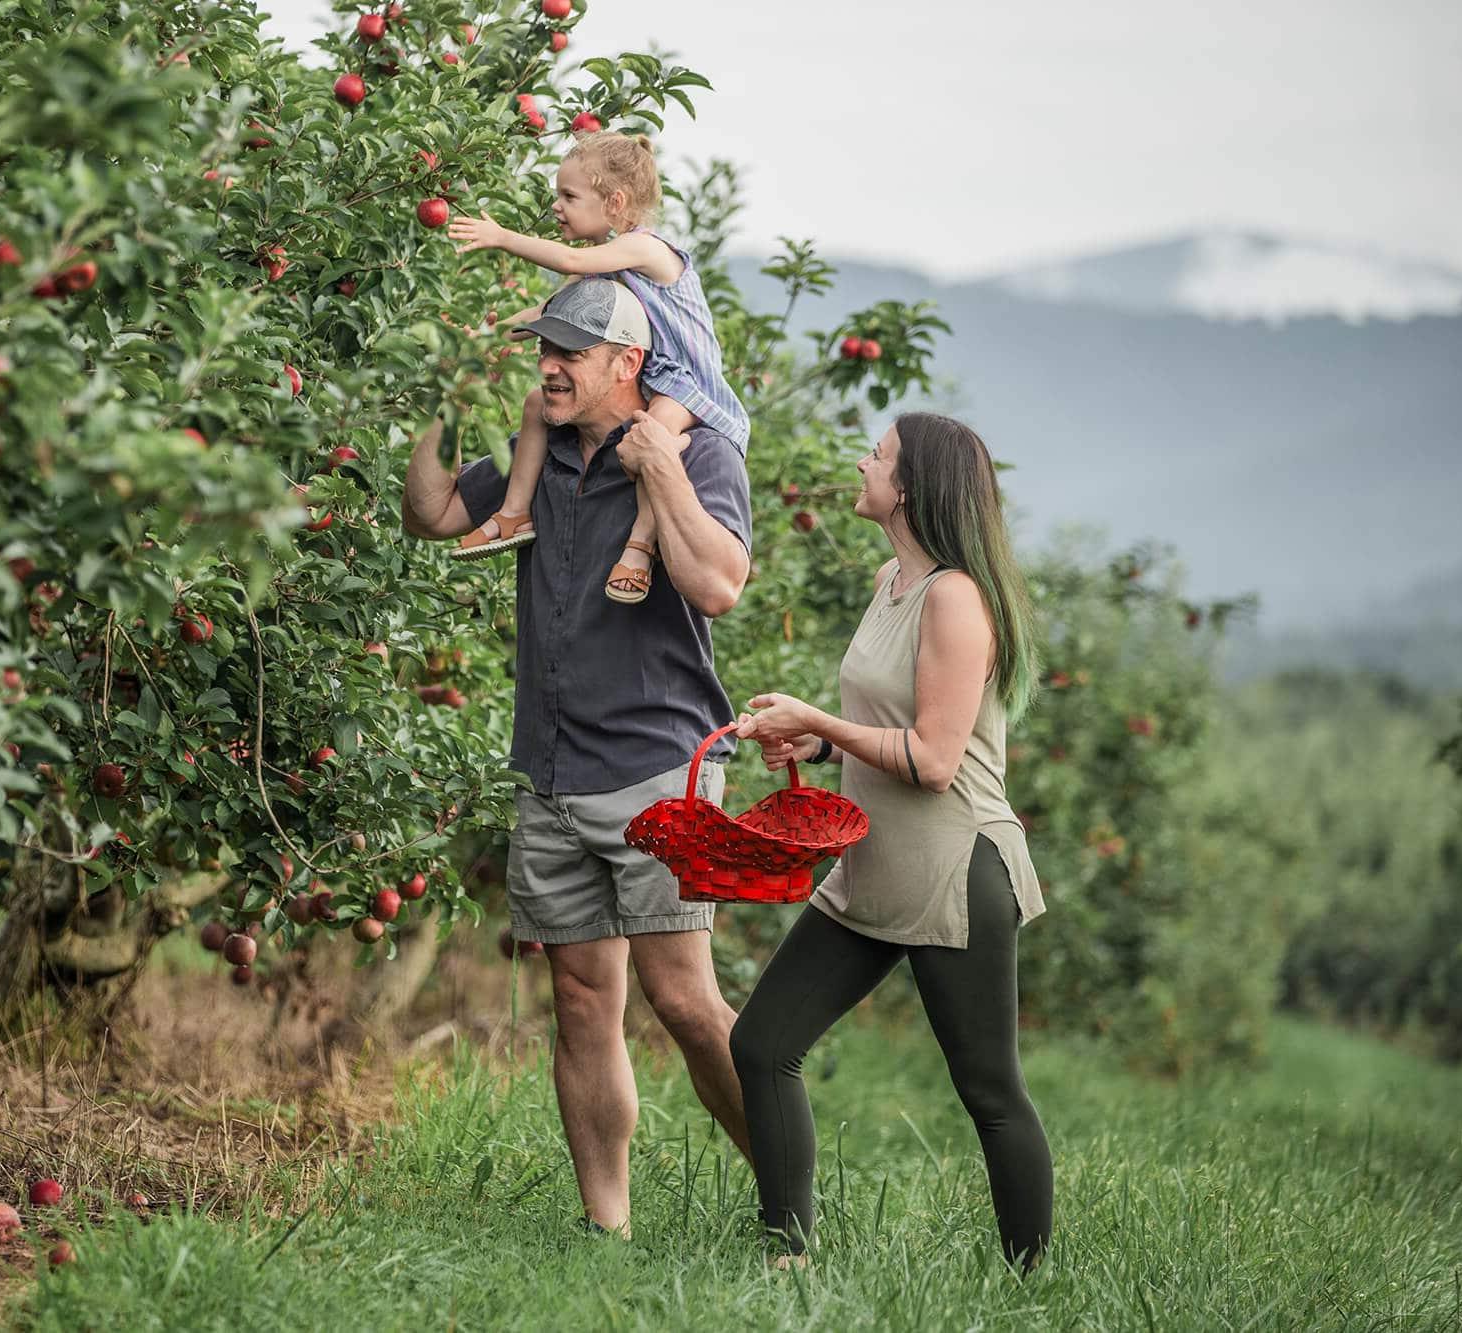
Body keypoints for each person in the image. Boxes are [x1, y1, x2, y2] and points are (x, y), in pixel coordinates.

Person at [401, 277, 755, 1237]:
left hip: (659, 762)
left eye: (570, 353)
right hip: (552, 766)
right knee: (580, 997)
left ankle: (785, 1187)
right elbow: (430, 514)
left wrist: (660, 472)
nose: (549, 368)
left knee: (683, 996)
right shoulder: (540, 454)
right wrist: (432, 398)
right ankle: (608, 1230)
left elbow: (720, 584)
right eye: (543, 350)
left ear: (628, 364)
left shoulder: (699, 451)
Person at [731, 412, 1053, 1272]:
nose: (863, 461)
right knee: (762, 1044)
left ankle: (1029, 1283)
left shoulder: (955, 596)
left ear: (908, 488)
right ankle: (786, 1258)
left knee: (988, 1090)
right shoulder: (893, 579)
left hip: (954, 868)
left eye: (878, 454)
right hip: (873, 863)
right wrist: (820, 743)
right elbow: (890, 724)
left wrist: (816, 716)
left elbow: (936, 759)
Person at [445, 131, 750, 605]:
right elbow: (545, 310)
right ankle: (513, 513)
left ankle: (639, 547)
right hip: (647, 375)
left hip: (687, 383)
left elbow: (568, 256)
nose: (557, 207)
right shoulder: (599, 268)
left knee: (652, 442)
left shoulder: (646, 249)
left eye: (569, 196)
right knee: (533, 406)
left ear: (615, 201)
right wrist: (482, 340)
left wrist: (502, 238)